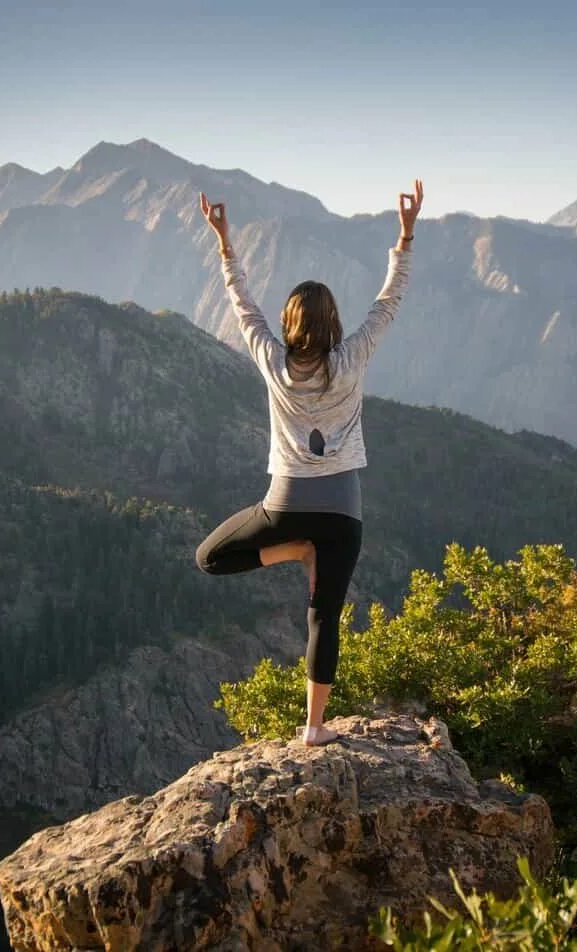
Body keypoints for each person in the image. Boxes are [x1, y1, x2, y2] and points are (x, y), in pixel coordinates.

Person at [194, 179, 422, 746]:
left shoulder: (272, 360)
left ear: (292, 323)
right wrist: (405, 235)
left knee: (210, 558)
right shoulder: (351, 360)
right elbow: (388, 302)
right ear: (333, 324)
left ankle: (292, 550)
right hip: (343, 512)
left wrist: (225, 242)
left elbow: (242, 305)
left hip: (286, 505)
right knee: (324, 618)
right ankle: (314, 728)